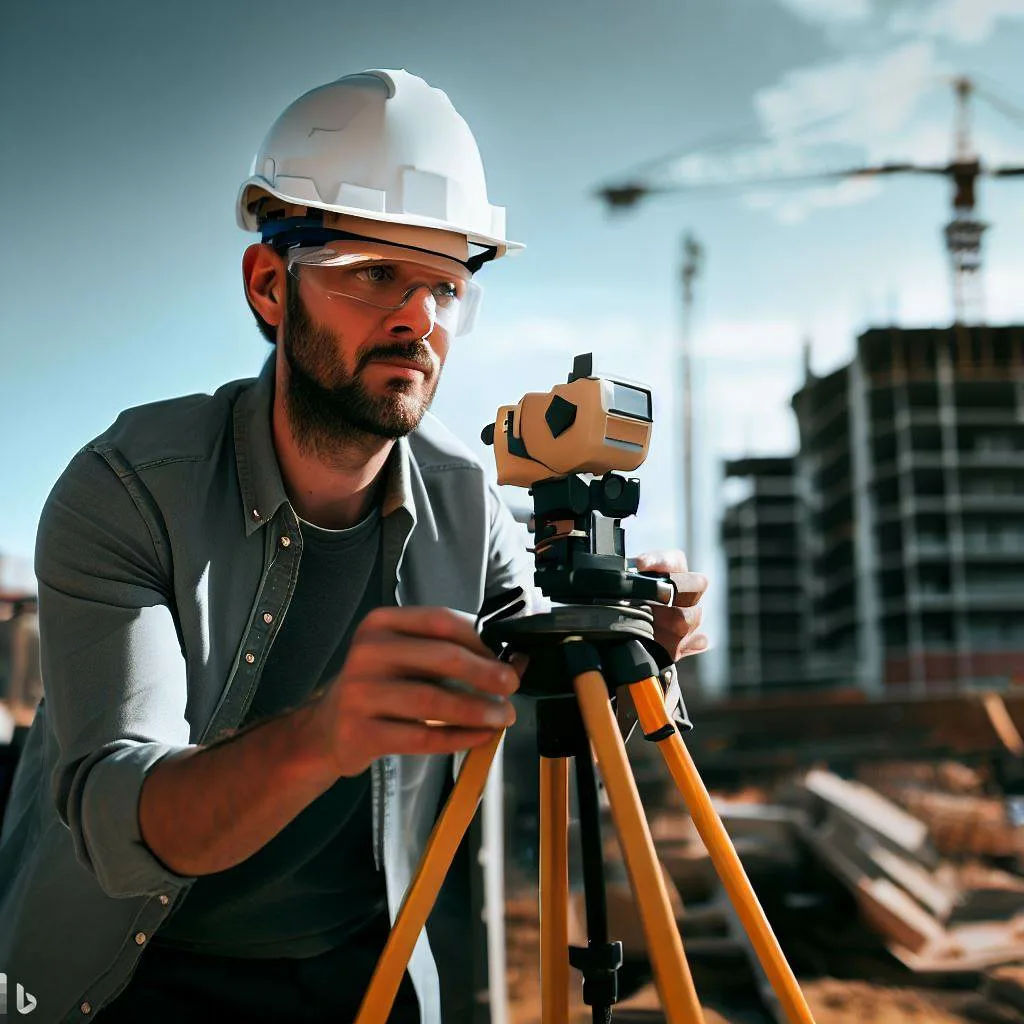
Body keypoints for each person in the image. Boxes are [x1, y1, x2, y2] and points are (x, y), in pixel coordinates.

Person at [0, 69, 708, 1024]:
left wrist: (633, 655)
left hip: (362, 978)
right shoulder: (129, 489)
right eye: (375, 273)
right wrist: (324, 734)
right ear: (269, 285)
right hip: (131, 977)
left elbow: (554, 714)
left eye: (446, 285)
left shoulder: (467, 502)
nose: (418, 318)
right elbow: (119, 820)